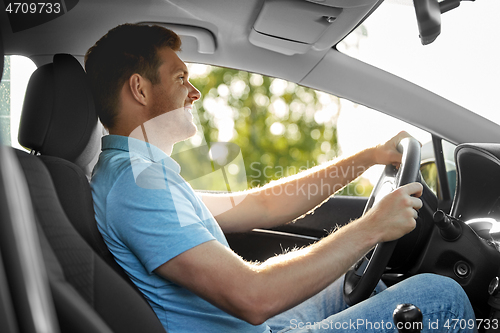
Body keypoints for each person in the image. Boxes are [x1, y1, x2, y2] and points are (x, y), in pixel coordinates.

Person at [86, 23, 475, 332]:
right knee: (440, 295)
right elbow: (253, 298)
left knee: (352, 282)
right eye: (180, 78)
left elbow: (264, 204)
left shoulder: (144, 175)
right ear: (139, 89)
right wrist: (372, 228)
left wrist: (367, 157)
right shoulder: (137, 188)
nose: (195, 92)